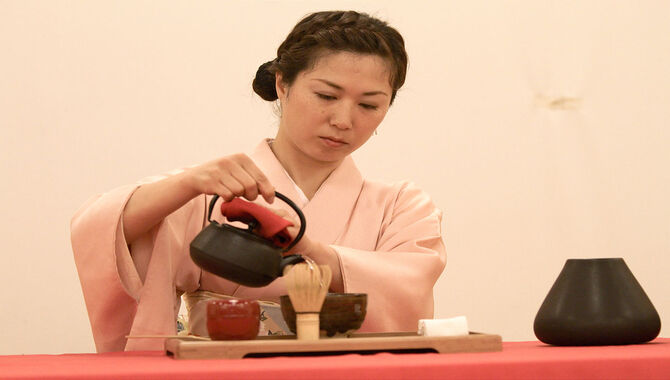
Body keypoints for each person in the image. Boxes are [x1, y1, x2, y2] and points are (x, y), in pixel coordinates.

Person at [71, 10, 446, 352]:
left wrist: (308, 248)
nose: (344, 120)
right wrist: (186, 184)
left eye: (369, 105)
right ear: (282, 84)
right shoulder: (211, 192)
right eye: (326, 95)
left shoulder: (401, 205)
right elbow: (104, 229)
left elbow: (409, 294)